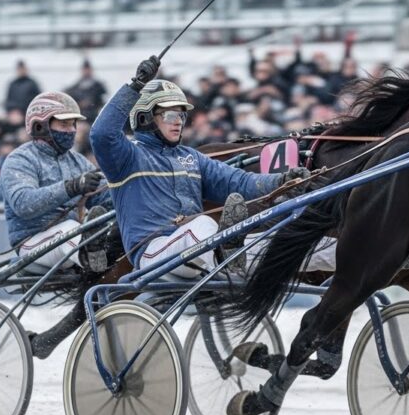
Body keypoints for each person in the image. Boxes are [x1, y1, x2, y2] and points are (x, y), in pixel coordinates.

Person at [89, 56, 311, 279]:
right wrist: (134, 86)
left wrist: (282, 181)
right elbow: (101, 134)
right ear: (145, 117)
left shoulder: (191, 157)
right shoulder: (126, 156)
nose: (179, 121)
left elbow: (240, 182)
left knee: (272, 241)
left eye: (182, 115)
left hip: (195, 253)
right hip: (152, 254)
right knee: (202, 224)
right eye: (170, 115)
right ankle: (224, 257)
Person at [0, 91, 114, 359]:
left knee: (99, 227)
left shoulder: (78, 161)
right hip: (32, 243)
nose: (71, 130)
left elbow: (106, 199)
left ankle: (95, 253)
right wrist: (71, 187)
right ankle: (91, 254)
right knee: (70, 231)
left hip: (70, 243)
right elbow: (23, 203)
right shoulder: (20, 160)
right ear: (40, 125)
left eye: (73, 124)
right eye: (64, 124)